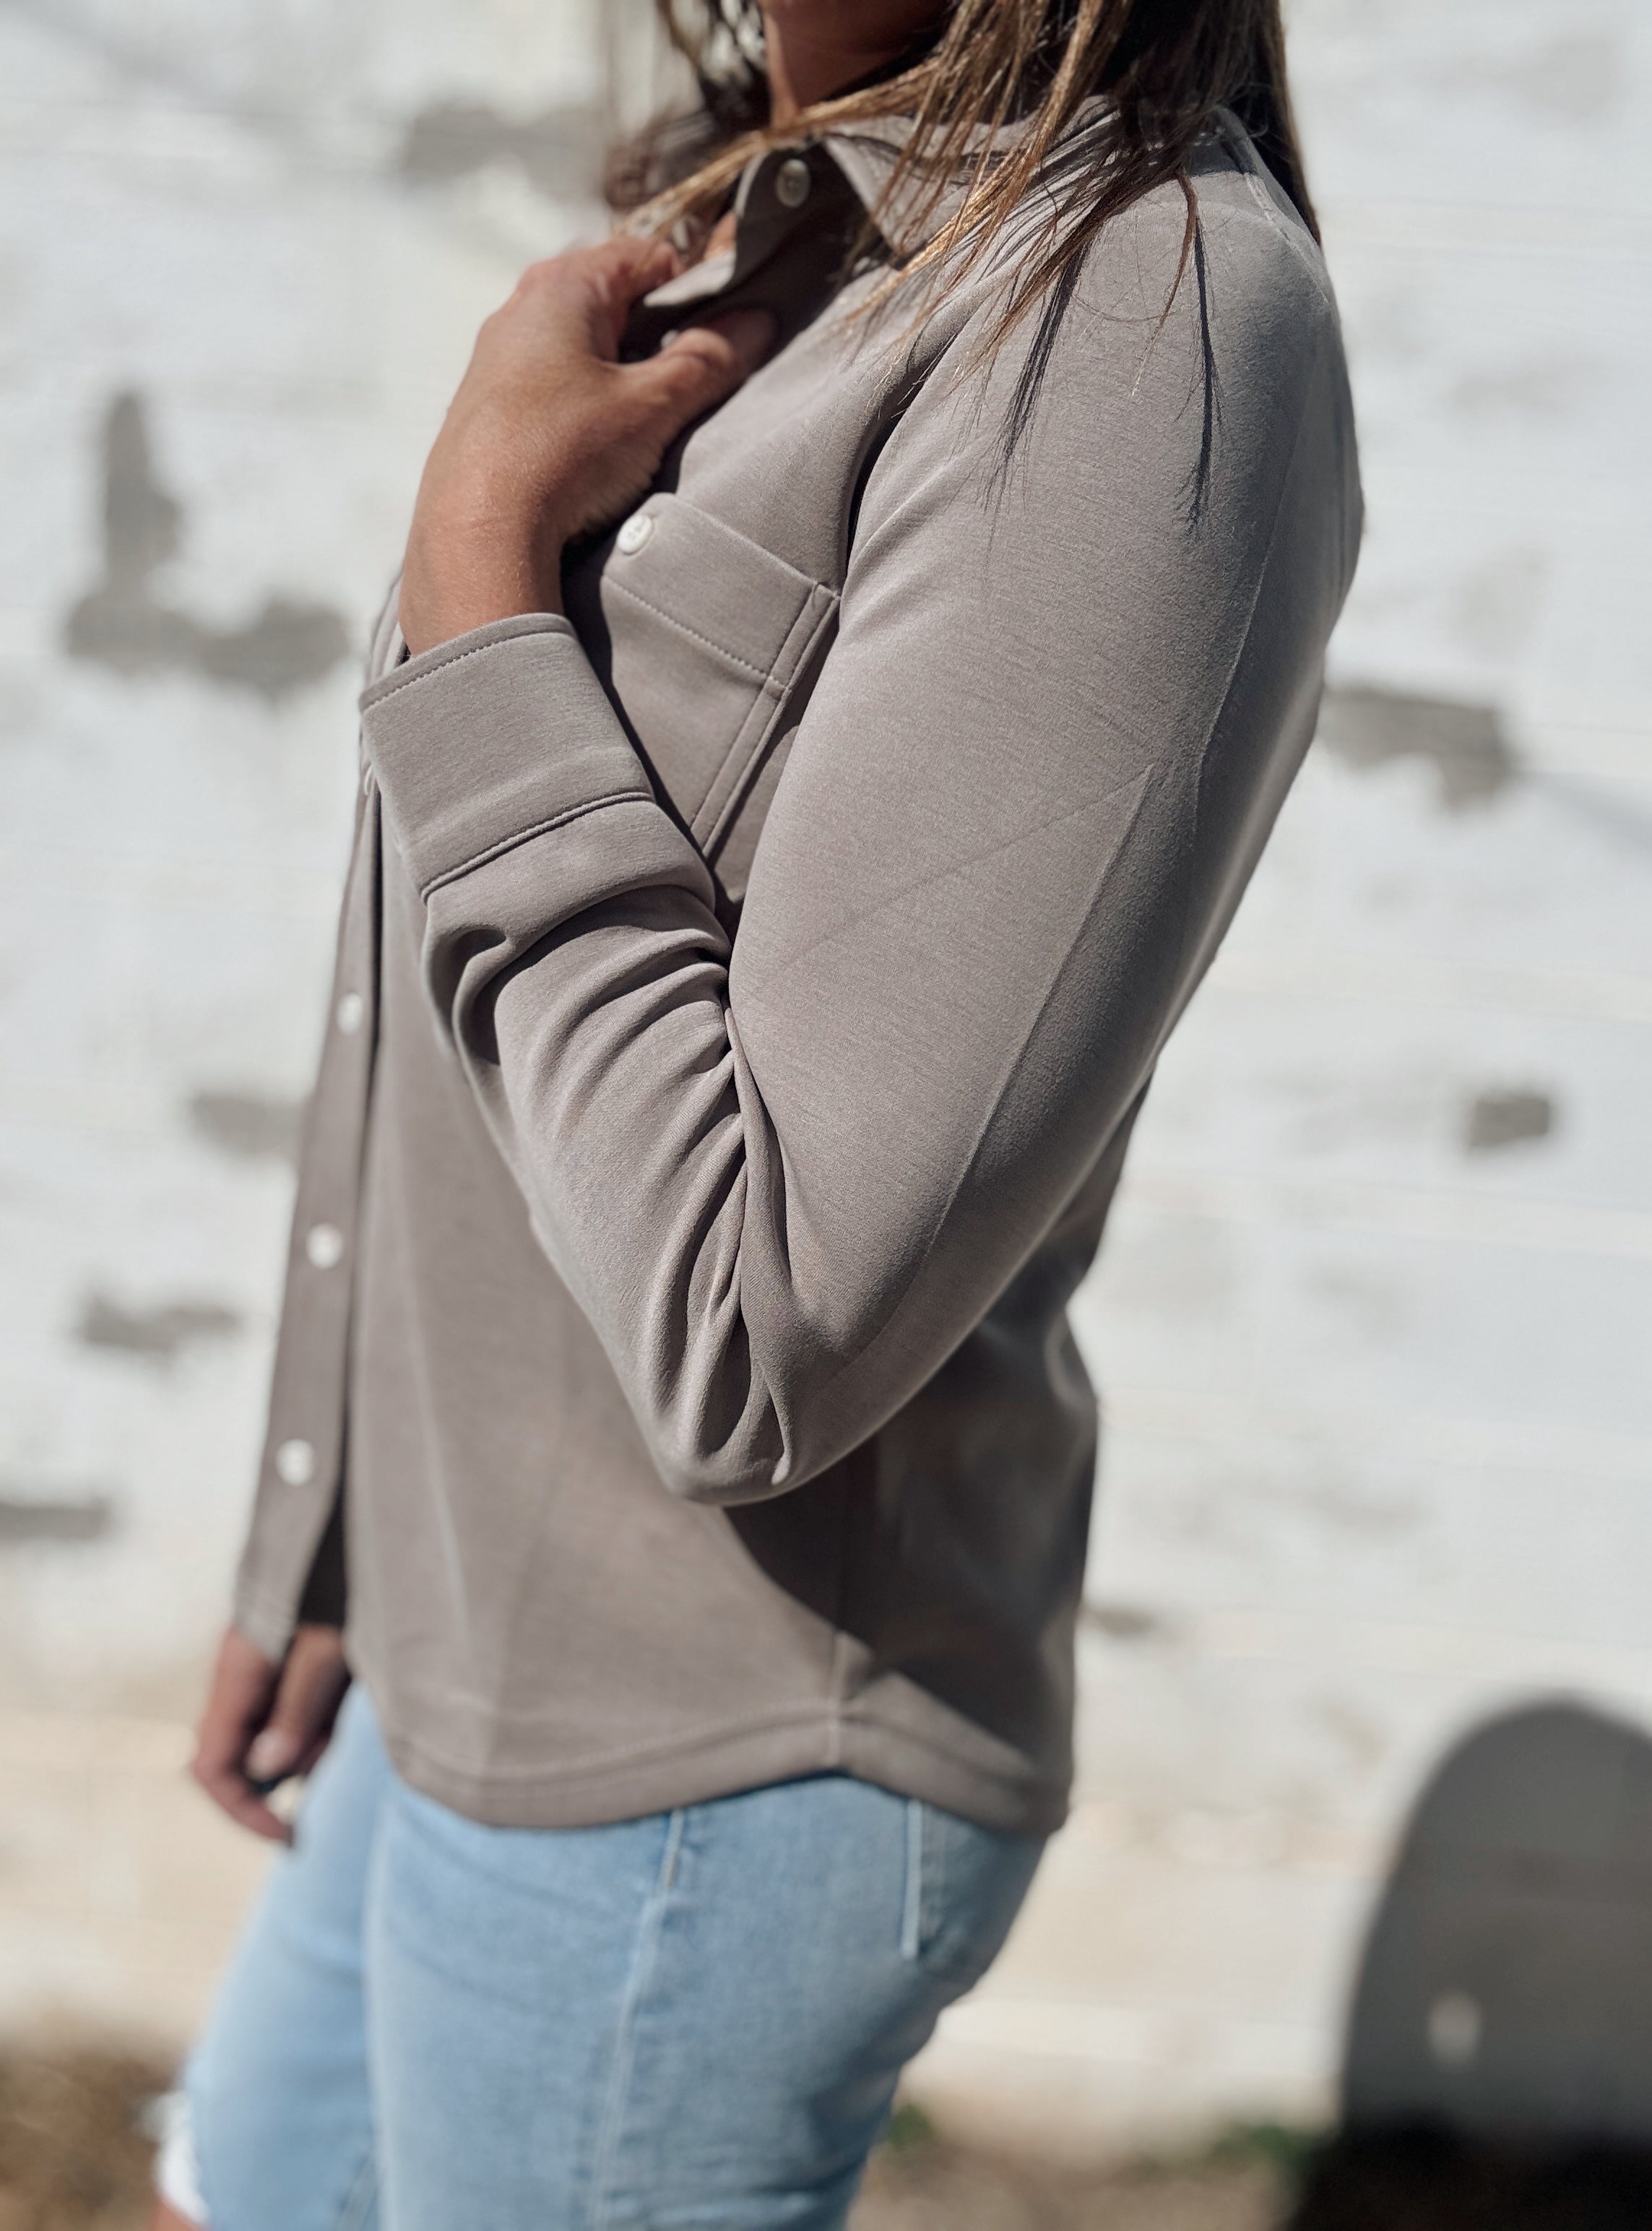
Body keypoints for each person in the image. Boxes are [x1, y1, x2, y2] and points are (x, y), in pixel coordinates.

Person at [153, 1, 1360, 2224]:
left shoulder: (1142, 324)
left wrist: (478, 562)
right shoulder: (772, 206)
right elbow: (435, 965)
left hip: (695, 1773)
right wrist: (332, 1514)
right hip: (453, 1636)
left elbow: (757, 1326)